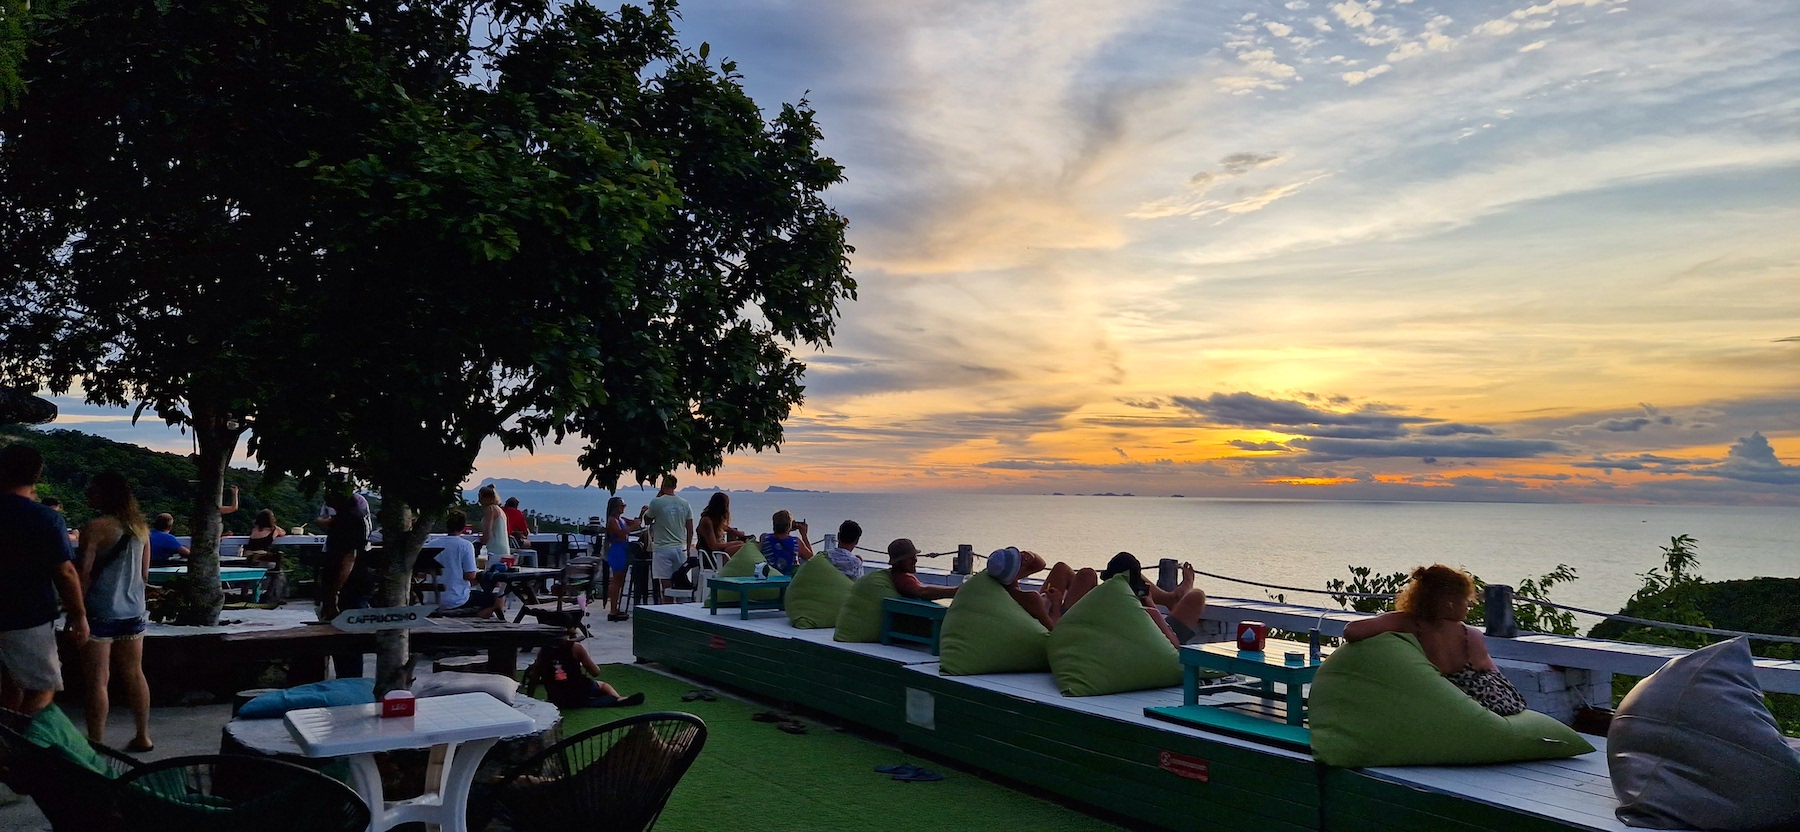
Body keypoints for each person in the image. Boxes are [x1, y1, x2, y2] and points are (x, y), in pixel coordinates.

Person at [1342, 564, 1527, 716]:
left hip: (1438, 699)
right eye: (1466, 601)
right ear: (1449, 603)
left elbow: (1351, 630)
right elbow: (1496, 677)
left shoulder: (1406, 622)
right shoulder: (1471, 635)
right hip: (1480, 703)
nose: (1469, 607)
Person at [0, 445, 87, 716]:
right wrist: (79, 616)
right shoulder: (45, 518)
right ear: (36, 476)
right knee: (42, 687)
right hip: (28, 616)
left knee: (9, 687)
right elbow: (65, 572)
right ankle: (19, 747)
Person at [74, 472, 153, 750]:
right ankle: (143, 735)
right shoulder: (141, 528)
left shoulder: (94, 527)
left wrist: (76, 612)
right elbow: (144, 574)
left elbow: (82, 574)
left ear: (104, 494)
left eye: (93, 489)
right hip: (133, 611)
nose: (88, 494)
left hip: (100, 610)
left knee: (98, 680)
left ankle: (96, 741)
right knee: (134, 673)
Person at [527, 611, 645, 709]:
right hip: (579, 692)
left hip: (556, 696)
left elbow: (534, 675)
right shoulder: (576, 648)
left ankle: (604, 700)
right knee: (603, 685)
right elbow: (595, 672)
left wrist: (530, 698)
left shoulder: (544, 650)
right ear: (571, 628)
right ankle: (618, 699)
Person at [1099, 552, 1208, 648]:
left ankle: (1171, 598)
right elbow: (1173, 644)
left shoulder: (1095, 603)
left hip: (1122, 635)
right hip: (1157, 641)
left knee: (1123, 566)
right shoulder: (1146, 612)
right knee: (1196, 596)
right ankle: (1173, 597)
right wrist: (1152, 607)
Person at [984, 547, 1099, 631]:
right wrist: (1056, 604)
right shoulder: (1030, 598)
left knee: (1061, 568)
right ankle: (1090, 621)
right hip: (1057, 621)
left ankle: (1082, 603)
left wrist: (1030, 555)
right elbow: (1053, 629)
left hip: (1043, 607)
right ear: (1017, 572)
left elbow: (1040, 564)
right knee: (1087, 575)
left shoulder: (1004, 584)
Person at [433, 511, 504, 618]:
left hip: (431, 598)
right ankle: (476, 618)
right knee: (497, 598)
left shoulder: (431, 544)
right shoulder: (465, 545)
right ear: (463, 527)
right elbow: (470, 575)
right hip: (455, 599)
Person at [315, 486, 370, 623]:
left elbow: (349, 556)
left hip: (349, 580)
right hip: (351, 575)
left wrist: (334, 592)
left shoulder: (347, 519)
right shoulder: (351, 515)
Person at [644, 475, 693, 600]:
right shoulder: (685, 503)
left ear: (662, 485)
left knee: (666, 587)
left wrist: (654, 501)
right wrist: (687, 548)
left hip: (662, 549)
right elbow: (690, 528)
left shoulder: (657, 502)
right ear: (675, 486)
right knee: (681, 583)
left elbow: (647, 520)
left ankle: (668, 610)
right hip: (680, 548)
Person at [602, 496, 643, 622]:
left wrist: (641, 514)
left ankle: (616, 608)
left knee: (619, 580)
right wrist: (633, 526)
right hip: (617, 550)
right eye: (622, 505)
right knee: (616, 581)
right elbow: (621, 533)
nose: (624, 508)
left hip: (623, 550)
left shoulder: (621, 519)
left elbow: (636, 524)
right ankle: (613, 609)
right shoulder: (612, 520)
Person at [886, 539, 957, 601]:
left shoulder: (894, 576)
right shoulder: (902, 579)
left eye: (914, 556)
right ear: (898, 562)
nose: (915, 560)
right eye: (909, 558)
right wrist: (956, 591)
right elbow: (923, 592)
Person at [758, 510, 813, 577]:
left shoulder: (764, 537)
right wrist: (804, 535)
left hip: (771, 577)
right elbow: (811, 557)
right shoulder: (796, 542)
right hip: (790, 581)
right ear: (790, 525)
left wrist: (787, 529)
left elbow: (779, 538)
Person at [694, 492, 745, 558]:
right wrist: (733, 543)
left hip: (717, 554)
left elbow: (733, 531)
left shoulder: (716, 520)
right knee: (741, 546)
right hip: (711, 557)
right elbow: (713, 546)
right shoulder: (707, 521)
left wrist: (738, 534)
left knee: (742, 544)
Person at [476, 484, 510, 569]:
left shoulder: (490, 509)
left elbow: (488, 532)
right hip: (504, 548)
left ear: (487, 498)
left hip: (493, 549)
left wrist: (482, 540)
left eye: (481, 497)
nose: (479, 501)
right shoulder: (500, 510)